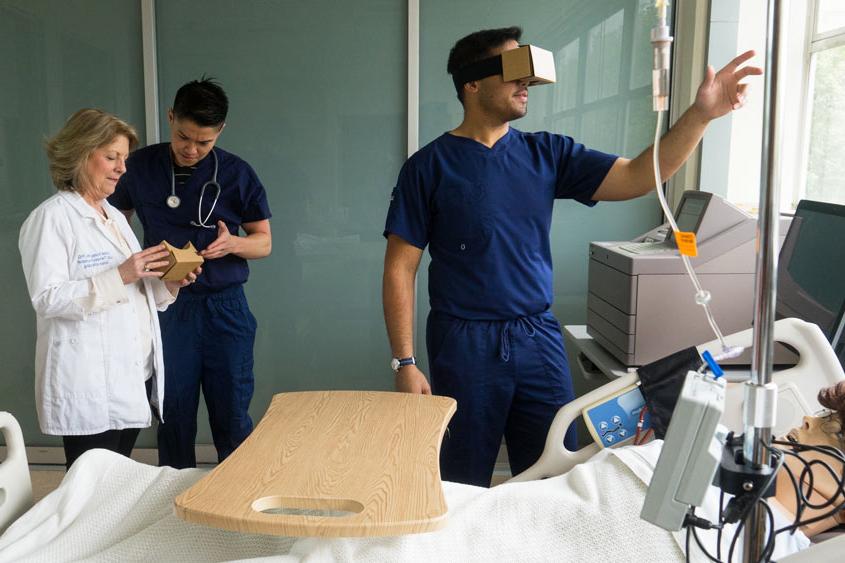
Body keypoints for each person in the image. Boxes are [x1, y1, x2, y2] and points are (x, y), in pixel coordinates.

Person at [382, 26, 762, 486]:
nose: (527, 86)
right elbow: (400, 268)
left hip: (537, 336)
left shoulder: (547, 153)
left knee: (554, 469)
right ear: (473, 83)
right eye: (514, 72)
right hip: (465, 343)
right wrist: (404, 362)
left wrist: (701, 115)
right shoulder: (428, 167)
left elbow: (639, 176)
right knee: (460, 477)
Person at [18, 108, 200, 470]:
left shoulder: (113, 216)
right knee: (89, 490)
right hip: (87, 380)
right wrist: (122, 275)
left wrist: (168, 282)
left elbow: (134, 289)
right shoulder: (51, 218)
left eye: (124, 159)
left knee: (114, 483)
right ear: (82, 154)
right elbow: (47, 298)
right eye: (112, 157)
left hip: (127, 375)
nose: (122, 168)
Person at [109, 78, 272, 469]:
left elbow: (263, 242)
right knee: (173, 415)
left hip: (225, 309)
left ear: (220, 133)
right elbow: (111, 224)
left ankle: (233, 506)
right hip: (167, 308)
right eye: (184, 137)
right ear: (170, 118)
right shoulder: (140, 167)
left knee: (232, 414)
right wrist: (136, 262)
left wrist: (233, 244)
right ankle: (173, 512)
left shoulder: (237, 174)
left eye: (204, 142)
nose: (192, 149)